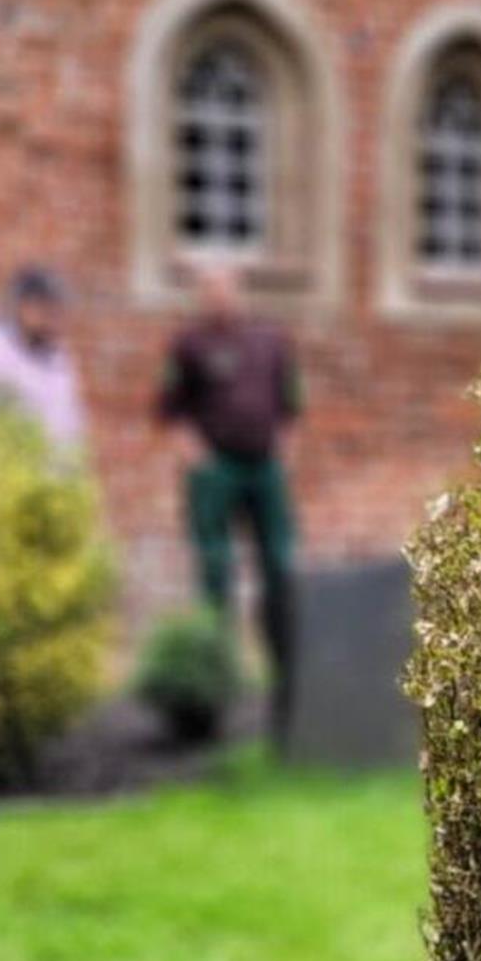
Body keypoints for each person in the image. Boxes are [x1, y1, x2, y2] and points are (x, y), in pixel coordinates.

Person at [156, 258, 301, 743]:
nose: (218, 296)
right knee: (215, 571)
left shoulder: (271, 340)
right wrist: (195, 455)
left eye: (225, 287)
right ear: (201, 295)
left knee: (280, 566)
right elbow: (170, 411)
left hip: (264, 469)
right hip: (216, 469)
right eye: (209, 288)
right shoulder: (188, 344)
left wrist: (282, 453)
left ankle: (289, 681)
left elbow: (290, 406)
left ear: (240, 290)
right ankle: (215, 690)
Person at [0, 266, 87, 457]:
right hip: (8, 473)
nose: (53, 315)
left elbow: (71, 420)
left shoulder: (58, 356)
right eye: (45, 307)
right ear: (22, 307)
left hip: (56, 475)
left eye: (55, 307)